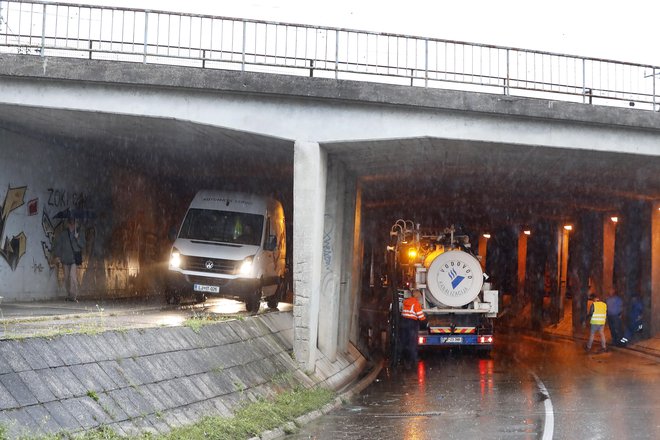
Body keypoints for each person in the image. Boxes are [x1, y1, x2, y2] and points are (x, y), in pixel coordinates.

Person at [53, 217, 85, 302]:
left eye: (73, 224)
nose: (72, 225)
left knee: (72, 276)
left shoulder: (79, 233)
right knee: (66, 278)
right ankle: (69, 294)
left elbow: (82, 245)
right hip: (65, 259)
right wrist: (58, 255)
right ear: (68, 224)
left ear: (75, 224)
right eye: (70, 224)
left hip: (74, 259)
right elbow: (59, 245)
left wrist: (77, 238)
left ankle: (73, 296)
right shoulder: (63, 234)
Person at [400, 289, 426, 368]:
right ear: (417, 296)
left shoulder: (406, 302)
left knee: (405, 341)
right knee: (413, 342)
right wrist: (425, 323)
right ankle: (414, 359)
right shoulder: (416, 303)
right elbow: (420, 315)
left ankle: (404, 359)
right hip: (412, 323)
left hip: (404, 322)